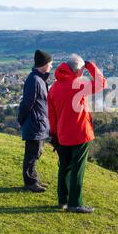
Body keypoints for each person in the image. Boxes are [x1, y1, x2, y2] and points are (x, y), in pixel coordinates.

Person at [48, 54, 106, 213]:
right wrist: (91, 66)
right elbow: (101, 83)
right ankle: (75, 203)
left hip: (61, 135)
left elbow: (52, 115)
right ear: (78, 71)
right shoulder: (78, 85)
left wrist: (54, 135)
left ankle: (63, 201)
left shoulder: (54, 88)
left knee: (64, 167)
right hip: (80, 133)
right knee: (77, 169)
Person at [17, 49, 53, 193]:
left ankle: (34, 180)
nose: (51, 66)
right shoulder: (34, 80)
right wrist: (22, 120)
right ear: (44, 64)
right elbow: (27, 104)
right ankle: (30, 183)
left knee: (36, 153)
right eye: (50, 63)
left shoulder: (40, 79)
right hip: (34, 124)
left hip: (39, 123)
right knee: (32, 154)